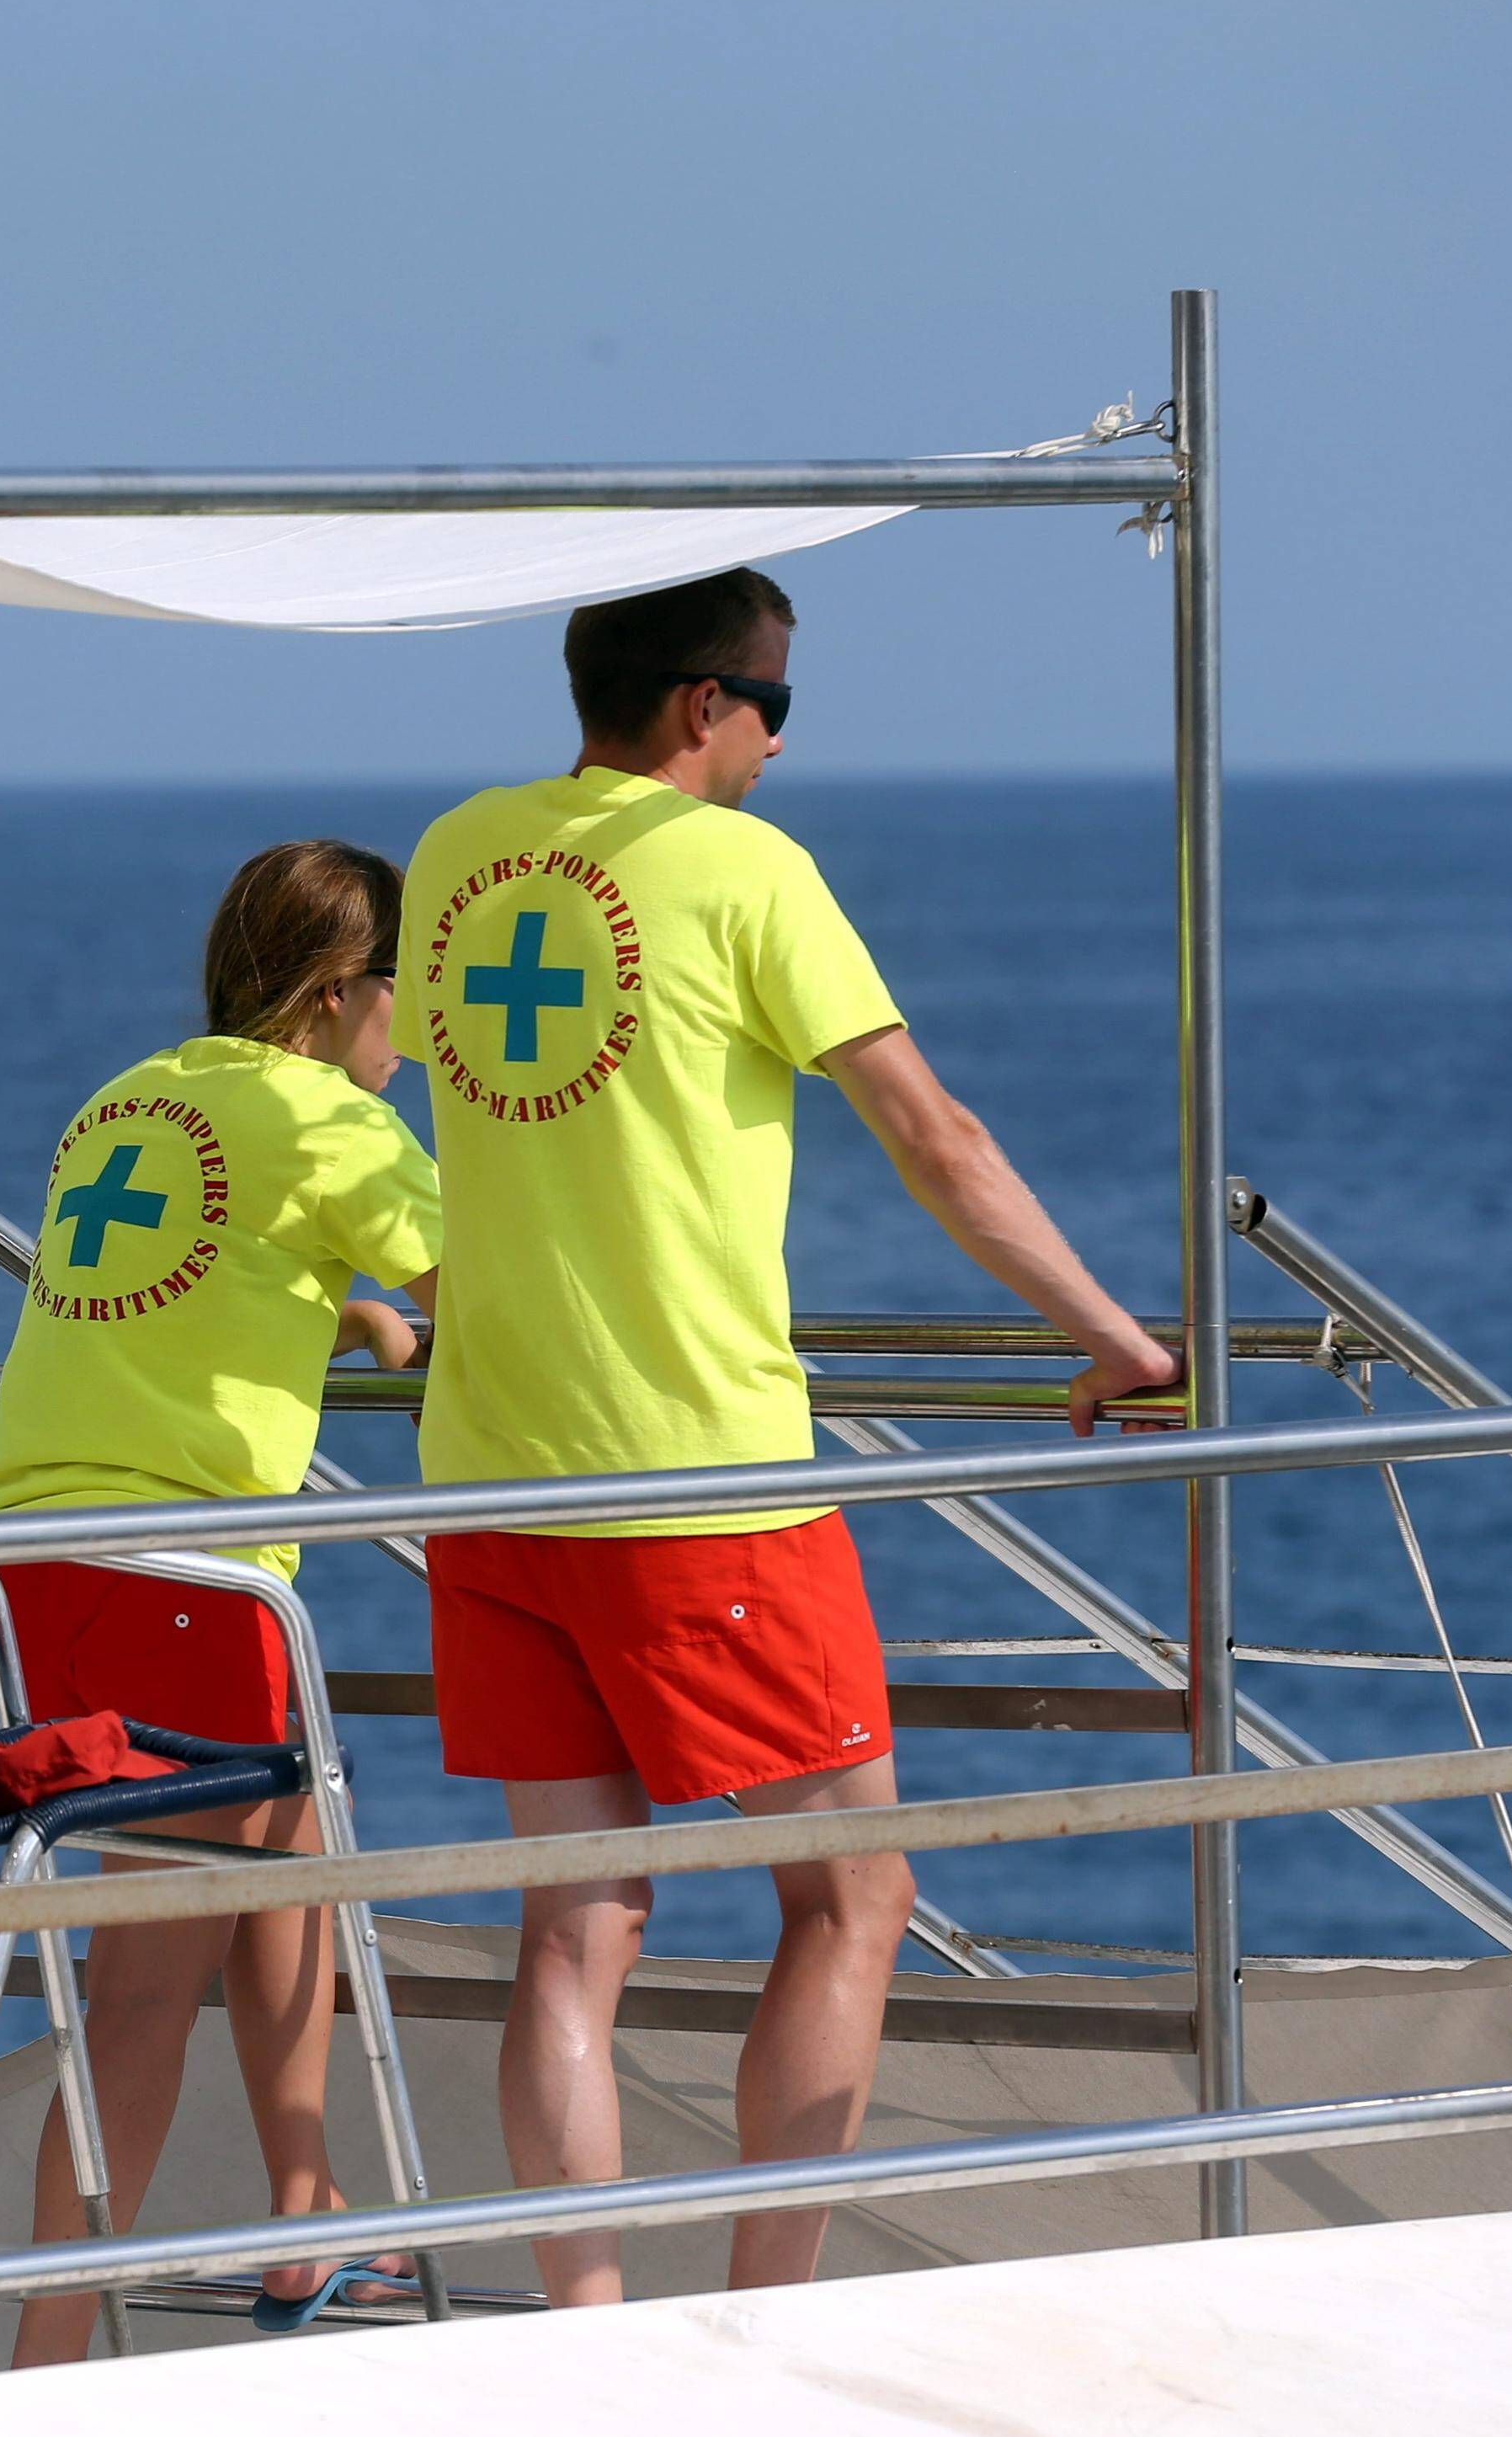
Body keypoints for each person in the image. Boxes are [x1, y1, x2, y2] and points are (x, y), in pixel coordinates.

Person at [398, 568, 1180, 2307]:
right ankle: (764, 2321)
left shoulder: (457, 854)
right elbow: (936, 1136)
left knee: (573, 1921)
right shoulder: (747, 870)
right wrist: (1115, 1339)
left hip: (493, 1474)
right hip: (701, 1480)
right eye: (775, 706)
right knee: (850, 1896)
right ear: (704, 703)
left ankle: (588, 2338)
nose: (776, 745)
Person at [0, 840, 446, 2360]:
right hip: (180, 1579)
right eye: (408, 986)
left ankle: (306, 2212)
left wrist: (350, 1313)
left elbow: (195, 1283)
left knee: (292, 1827)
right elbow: (502, 1286)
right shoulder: (330, 1120)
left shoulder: (132, 1097)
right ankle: (44, 2358)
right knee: (142, 1990)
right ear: (337, 990)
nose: (421, 1022)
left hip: (37, 1563)